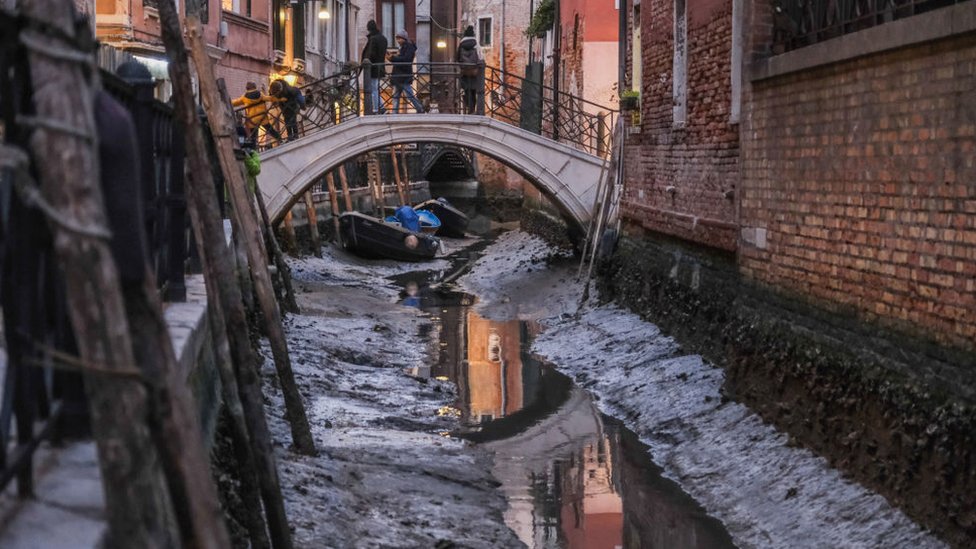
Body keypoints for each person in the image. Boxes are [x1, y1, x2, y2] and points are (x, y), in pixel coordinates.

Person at [387, 29, 426, 113]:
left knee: (409, 95)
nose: (397, 40)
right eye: (397, 38)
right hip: (399, 75)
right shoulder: (403, 48)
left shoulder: (408, 47)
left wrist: (393, 58)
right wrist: (393, 58)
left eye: (399, 38)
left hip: (403, 75)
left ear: (404, 38)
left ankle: (419, 109)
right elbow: (403, 59)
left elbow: (406, 59)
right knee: (397, 95)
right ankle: (395, 112)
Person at [232, 82, 280, 147]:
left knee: (254, 136)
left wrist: (228, 101)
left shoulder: (244, 97)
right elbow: (269, 98)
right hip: (262, 117)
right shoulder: (260, 94)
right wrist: (280, 98)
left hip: (252, 120)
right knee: (270, 130)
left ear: (247, 88)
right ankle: (279, 139)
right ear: (255, 87)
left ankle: (254, 149)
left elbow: (236, 102)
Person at [361, 19, 388, 114]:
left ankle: (377, 108)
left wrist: (365, 64)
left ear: (369, 29)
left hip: (372, 68)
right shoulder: (383, 39)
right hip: (380, 67)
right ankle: (381, 107)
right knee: (375, 88)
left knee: (373, 89)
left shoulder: (373, 39)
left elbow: (371, 54)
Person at [456, 25, 481, 114]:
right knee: (474, 91)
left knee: (467, 91)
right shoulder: (476, 44)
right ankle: (472, 110)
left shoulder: (461, 45)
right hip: (474, 72)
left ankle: (467, 108)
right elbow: (480, 57)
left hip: (464, 72)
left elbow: (458, 57)